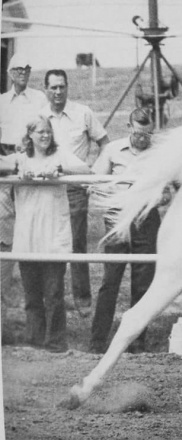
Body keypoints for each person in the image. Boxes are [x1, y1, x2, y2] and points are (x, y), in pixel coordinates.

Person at [0, 115, 91, 352]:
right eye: (40, 132)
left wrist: (59, 170)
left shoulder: (59, 155)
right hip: (27, 236)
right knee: (32, 297)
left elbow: (86, 168)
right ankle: (34, 341)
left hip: (53, 236)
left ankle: (55, 344)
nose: (45, 136)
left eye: (48, 131)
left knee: (53, 295)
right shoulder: (20, 158)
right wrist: (17, 169)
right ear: (29, 134)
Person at [88, 108, 162, 354]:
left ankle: (136, 342)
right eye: (139, 133)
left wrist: (152, 197)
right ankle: (97, 342)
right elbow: (94, 182)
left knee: (143, 284)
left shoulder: (159, 154)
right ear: (130, 127)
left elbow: (170, 191)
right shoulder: (113, 150)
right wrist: (112, 199)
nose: (143, 138)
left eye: (148, 134)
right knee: (110, 281)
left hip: (146, 219)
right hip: (118, 219)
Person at [41, 69, 110, 311]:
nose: (58, 92)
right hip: (47, 189)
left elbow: (104, 143)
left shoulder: (83, 113)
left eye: (62, 87)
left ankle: (82, 299)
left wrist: (95, 174)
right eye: (53, 87)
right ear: (46, 90)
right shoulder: (40, 116)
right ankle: (53, 298)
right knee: (50, 243)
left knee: (76, 242)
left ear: (67, 87)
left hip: (75, 188)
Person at [0, 53, 48, 309]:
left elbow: (44, 128)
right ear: (9, 73)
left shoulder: (39, 98)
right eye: (18, 69)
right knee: (5, 221)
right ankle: (4, 293)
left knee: (33, 218)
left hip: (31, 157)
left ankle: (36, 291)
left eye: (27, 69)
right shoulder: (1, 101)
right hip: (7, 161)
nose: (23, 73)